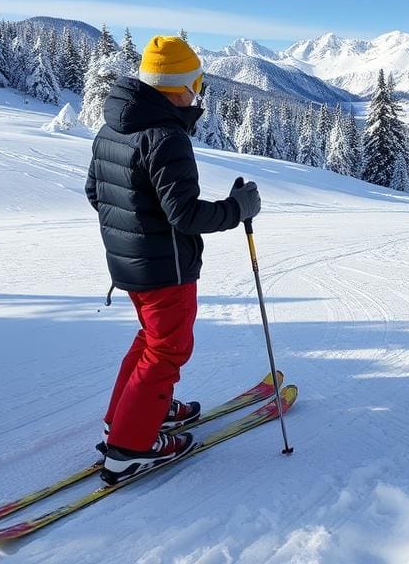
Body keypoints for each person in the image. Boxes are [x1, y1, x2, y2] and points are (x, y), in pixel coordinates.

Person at [85, 35, 261, 484]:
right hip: (165, 269)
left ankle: (131, 418)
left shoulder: (114, 126)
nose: (199, 92)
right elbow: (186, 214)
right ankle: (130, 448)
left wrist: (133, 230)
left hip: (130, 264)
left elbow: (96, 192)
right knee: (168, 349)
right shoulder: (166, 136)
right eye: (197, 83)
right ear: (179, 86)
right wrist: (239, 207)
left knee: (150, 341)